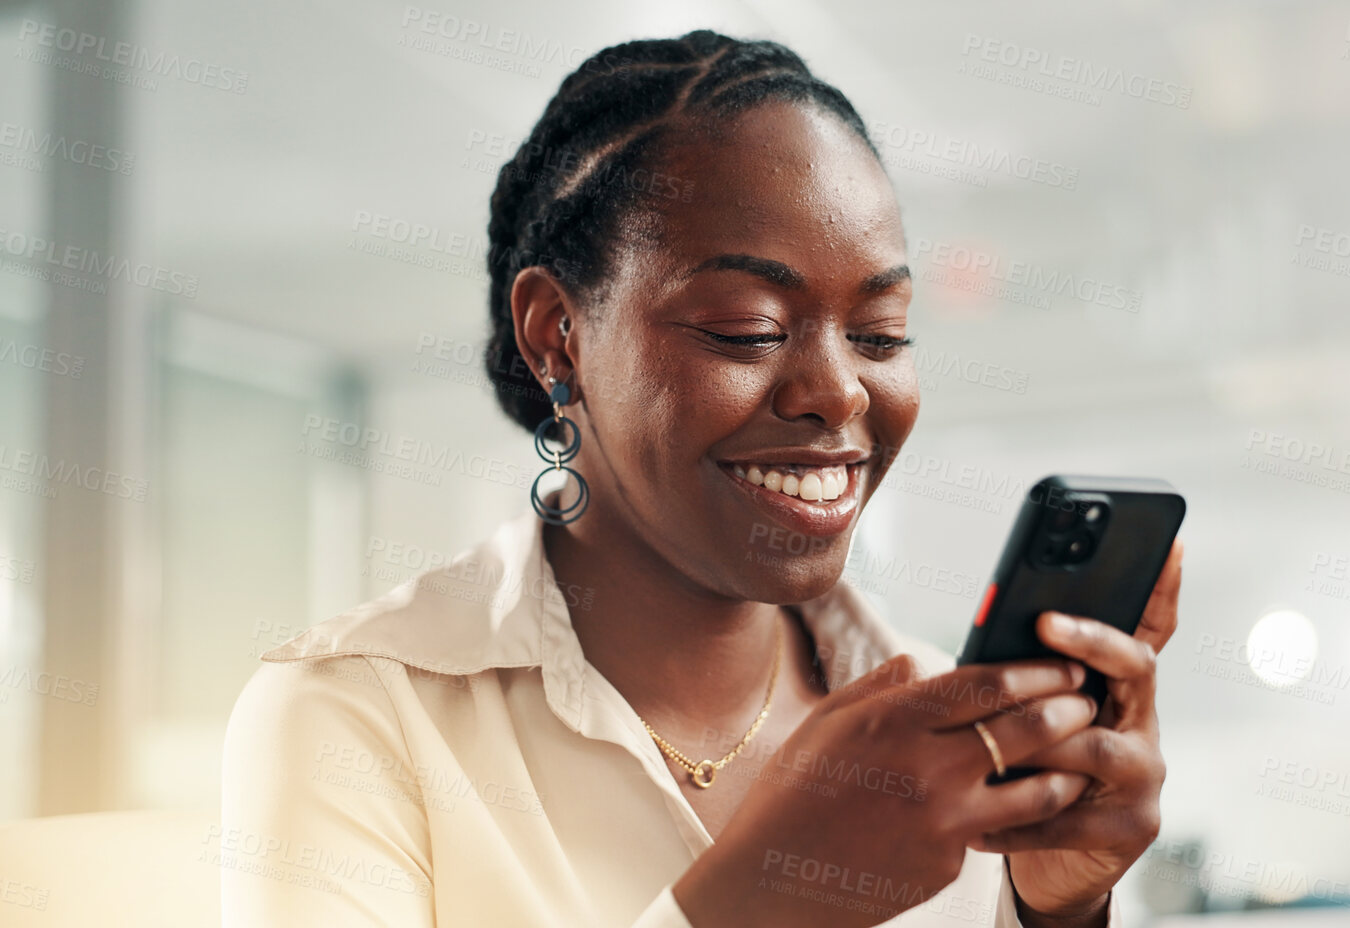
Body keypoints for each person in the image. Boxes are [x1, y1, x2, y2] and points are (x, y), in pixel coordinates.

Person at [218, 30, 1182, 927]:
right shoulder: (357, 715)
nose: (839, 392)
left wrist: (1056, 914)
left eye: (880, 334)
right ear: (559, 335)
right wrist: (763, 898)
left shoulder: (955, 725)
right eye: (747, 329)